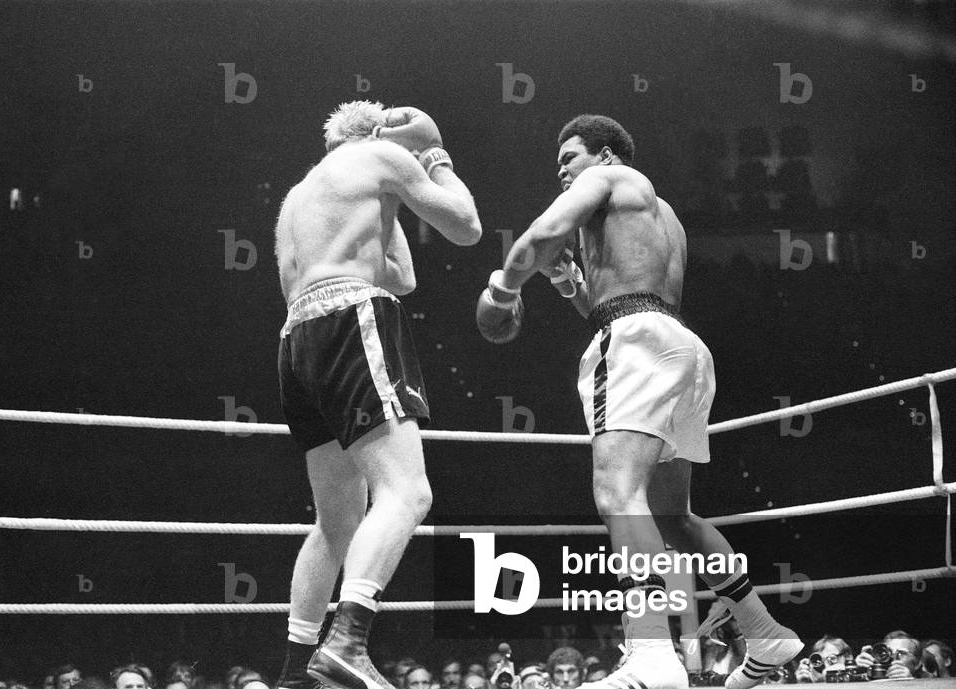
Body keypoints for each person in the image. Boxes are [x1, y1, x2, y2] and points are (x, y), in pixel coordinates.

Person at [476, 114, 802, 689]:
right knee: (674, 518)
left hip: (637, 344)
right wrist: (568, 283)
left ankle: (653, 657)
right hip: (680, 347)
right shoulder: (660, 212)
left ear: (603, 156)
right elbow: (615, 301)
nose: (562, 171)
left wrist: (502, 290)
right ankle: (763, 629)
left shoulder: (608, 180)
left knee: (617, 494)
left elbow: (538, 235)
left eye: (569, 158)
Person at [274, 100, 482, 689]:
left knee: (337, 521)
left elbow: (403, 277)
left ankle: (297, 670)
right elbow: (466, 225)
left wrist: (389, 211)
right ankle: (347, 641)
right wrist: (434, 157)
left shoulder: (300, 196)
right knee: (408, 492)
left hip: (296, 342)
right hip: (350, 318)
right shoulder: (382, 155)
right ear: (381, 139)